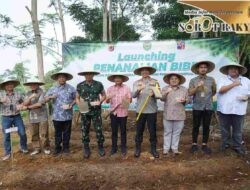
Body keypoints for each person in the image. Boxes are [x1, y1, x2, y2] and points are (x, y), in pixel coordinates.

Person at [217, 63, 249, 156]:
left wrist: (247, 97)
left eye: (235, 69)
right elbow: (221, 90)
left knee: (238, 130)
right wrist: (234, 84)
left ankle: (237, 146)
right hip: (224, 109)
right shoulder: (222, 79)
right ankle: (225, 144)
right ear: (227, 70)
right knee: (224, 129)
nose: (233, 70)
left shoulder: (246, 80)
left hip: (239, 109)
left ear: (239, 70)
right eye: (231, 68)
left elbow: (248, 93)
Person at [76, 69, 106, 159]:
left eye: (90, 75)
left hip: (96, 110)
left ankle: (100, 146)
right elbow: (77, 98)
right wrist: (79, 105)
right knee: (84, 129)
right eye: (87, 75)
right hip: (84, 110)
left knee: (98, 129)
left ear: (93, 75)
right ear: (84, 76)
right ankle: (86, 147)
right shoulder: (80, 85)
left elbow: (104, 95)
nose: (88, 76)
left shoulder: (98, 84)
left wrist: (100, 101)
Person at [45, 70, 76, 156]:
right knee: (57, 133)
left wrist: (71, 105)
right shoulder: (52, 88)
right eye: (60, 77)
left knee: (67, 133)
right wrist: (51, 96)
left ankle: (66, 148)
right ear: (57, 79)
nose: (62, 79)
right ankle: (57, 148)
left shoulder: (71, 88)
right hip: (57, 116)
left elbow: (76, 99)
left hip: (67, 115)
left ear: (66, 78)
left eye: (63, 77)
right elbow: (45, 99)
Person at [132, 66, 161, 158]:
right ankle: (138, 148)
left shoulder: (155, 82)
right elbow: (133, 95)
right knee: (139, 130)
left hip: (151, 111)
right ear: (141, 72)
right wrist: (139, 89)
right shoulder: (137, 83)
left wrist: (154, 95)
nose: (144, 72)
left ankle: (153, 149)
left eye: (146, 71)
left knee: (152, 131)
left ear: (149, 72)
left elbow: (159, 95)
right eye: (143, 71)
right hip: (140, 110)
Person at [188, 61, 216, 154]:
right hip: (197, 106)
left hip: (208, 106)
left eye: (205, 67)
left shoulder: (211, 79)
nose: (203, 69)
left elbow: (214, 92)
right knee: (195, 126)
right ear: (198, 69)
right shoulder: (193, 80)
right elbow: (190, 93)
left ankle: (204, 145)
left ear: (207, 69)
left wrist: (207, 98)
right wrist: (197, 87)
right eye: (201, 67)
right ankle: (194, 144)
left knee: (206, 126)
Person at [0, 77, 28, 161]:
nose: (9, 85)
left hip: (17, 116)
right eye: (7, 84)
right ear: (5, 86)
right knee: (6, 136)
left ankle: (23, 147)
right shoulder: (1, 94)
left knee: (22, 132)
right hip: (5, 117)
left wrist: (22, 105)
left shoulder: (18, 94)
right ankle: (7, 152)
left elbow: (24, 102)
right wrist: (1, 101)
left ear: (13, 85)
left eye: (11, 84)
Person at [161, 73, 189, 155]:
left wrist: (184, 100)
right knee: (167, 132)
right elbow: (162, 99)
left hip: (180, 114)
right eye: (172, 79)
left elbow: (188, 100)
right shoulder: (165, 88)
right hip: (168, 114)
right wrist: (166, 92)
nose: (174, 80)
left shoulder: (184, 89)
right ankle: (166, 149)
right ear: (169, 81)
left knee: (177, 132)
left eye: (176, 78)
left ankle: (174, 148)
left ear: (179, 80)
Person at [23, 78, 50, 155]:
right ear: (29, 85)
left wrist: (28, 107)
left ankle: (46, 147)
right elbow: (24, 103)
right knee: (34, 134)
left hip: (42, 116)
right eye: (31, 84)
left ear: (38, 84)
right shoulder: (28, 93)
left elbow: (39, 104)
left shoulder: (42, 92)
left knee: (44, 133)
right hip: (32, 117)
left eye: (35, 83)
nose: (33, 85)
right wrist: (30, 97)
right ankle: (36, 148)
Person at [106, 74, 132, 157]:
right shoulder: (110, 89)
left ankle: (123, 147)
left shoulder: (126, 88)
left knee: (123, 131)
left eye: (119, 78)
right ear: (114, 80)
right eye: (116, 78)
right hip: (113, 113)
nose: (117, 79)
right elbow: (106, 101)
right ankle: (114, 148)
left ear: (122, 80)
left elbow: (130, 100)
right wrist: (108, 98)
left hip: (123, 113)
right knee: (114, 131)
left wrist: (125, 102)